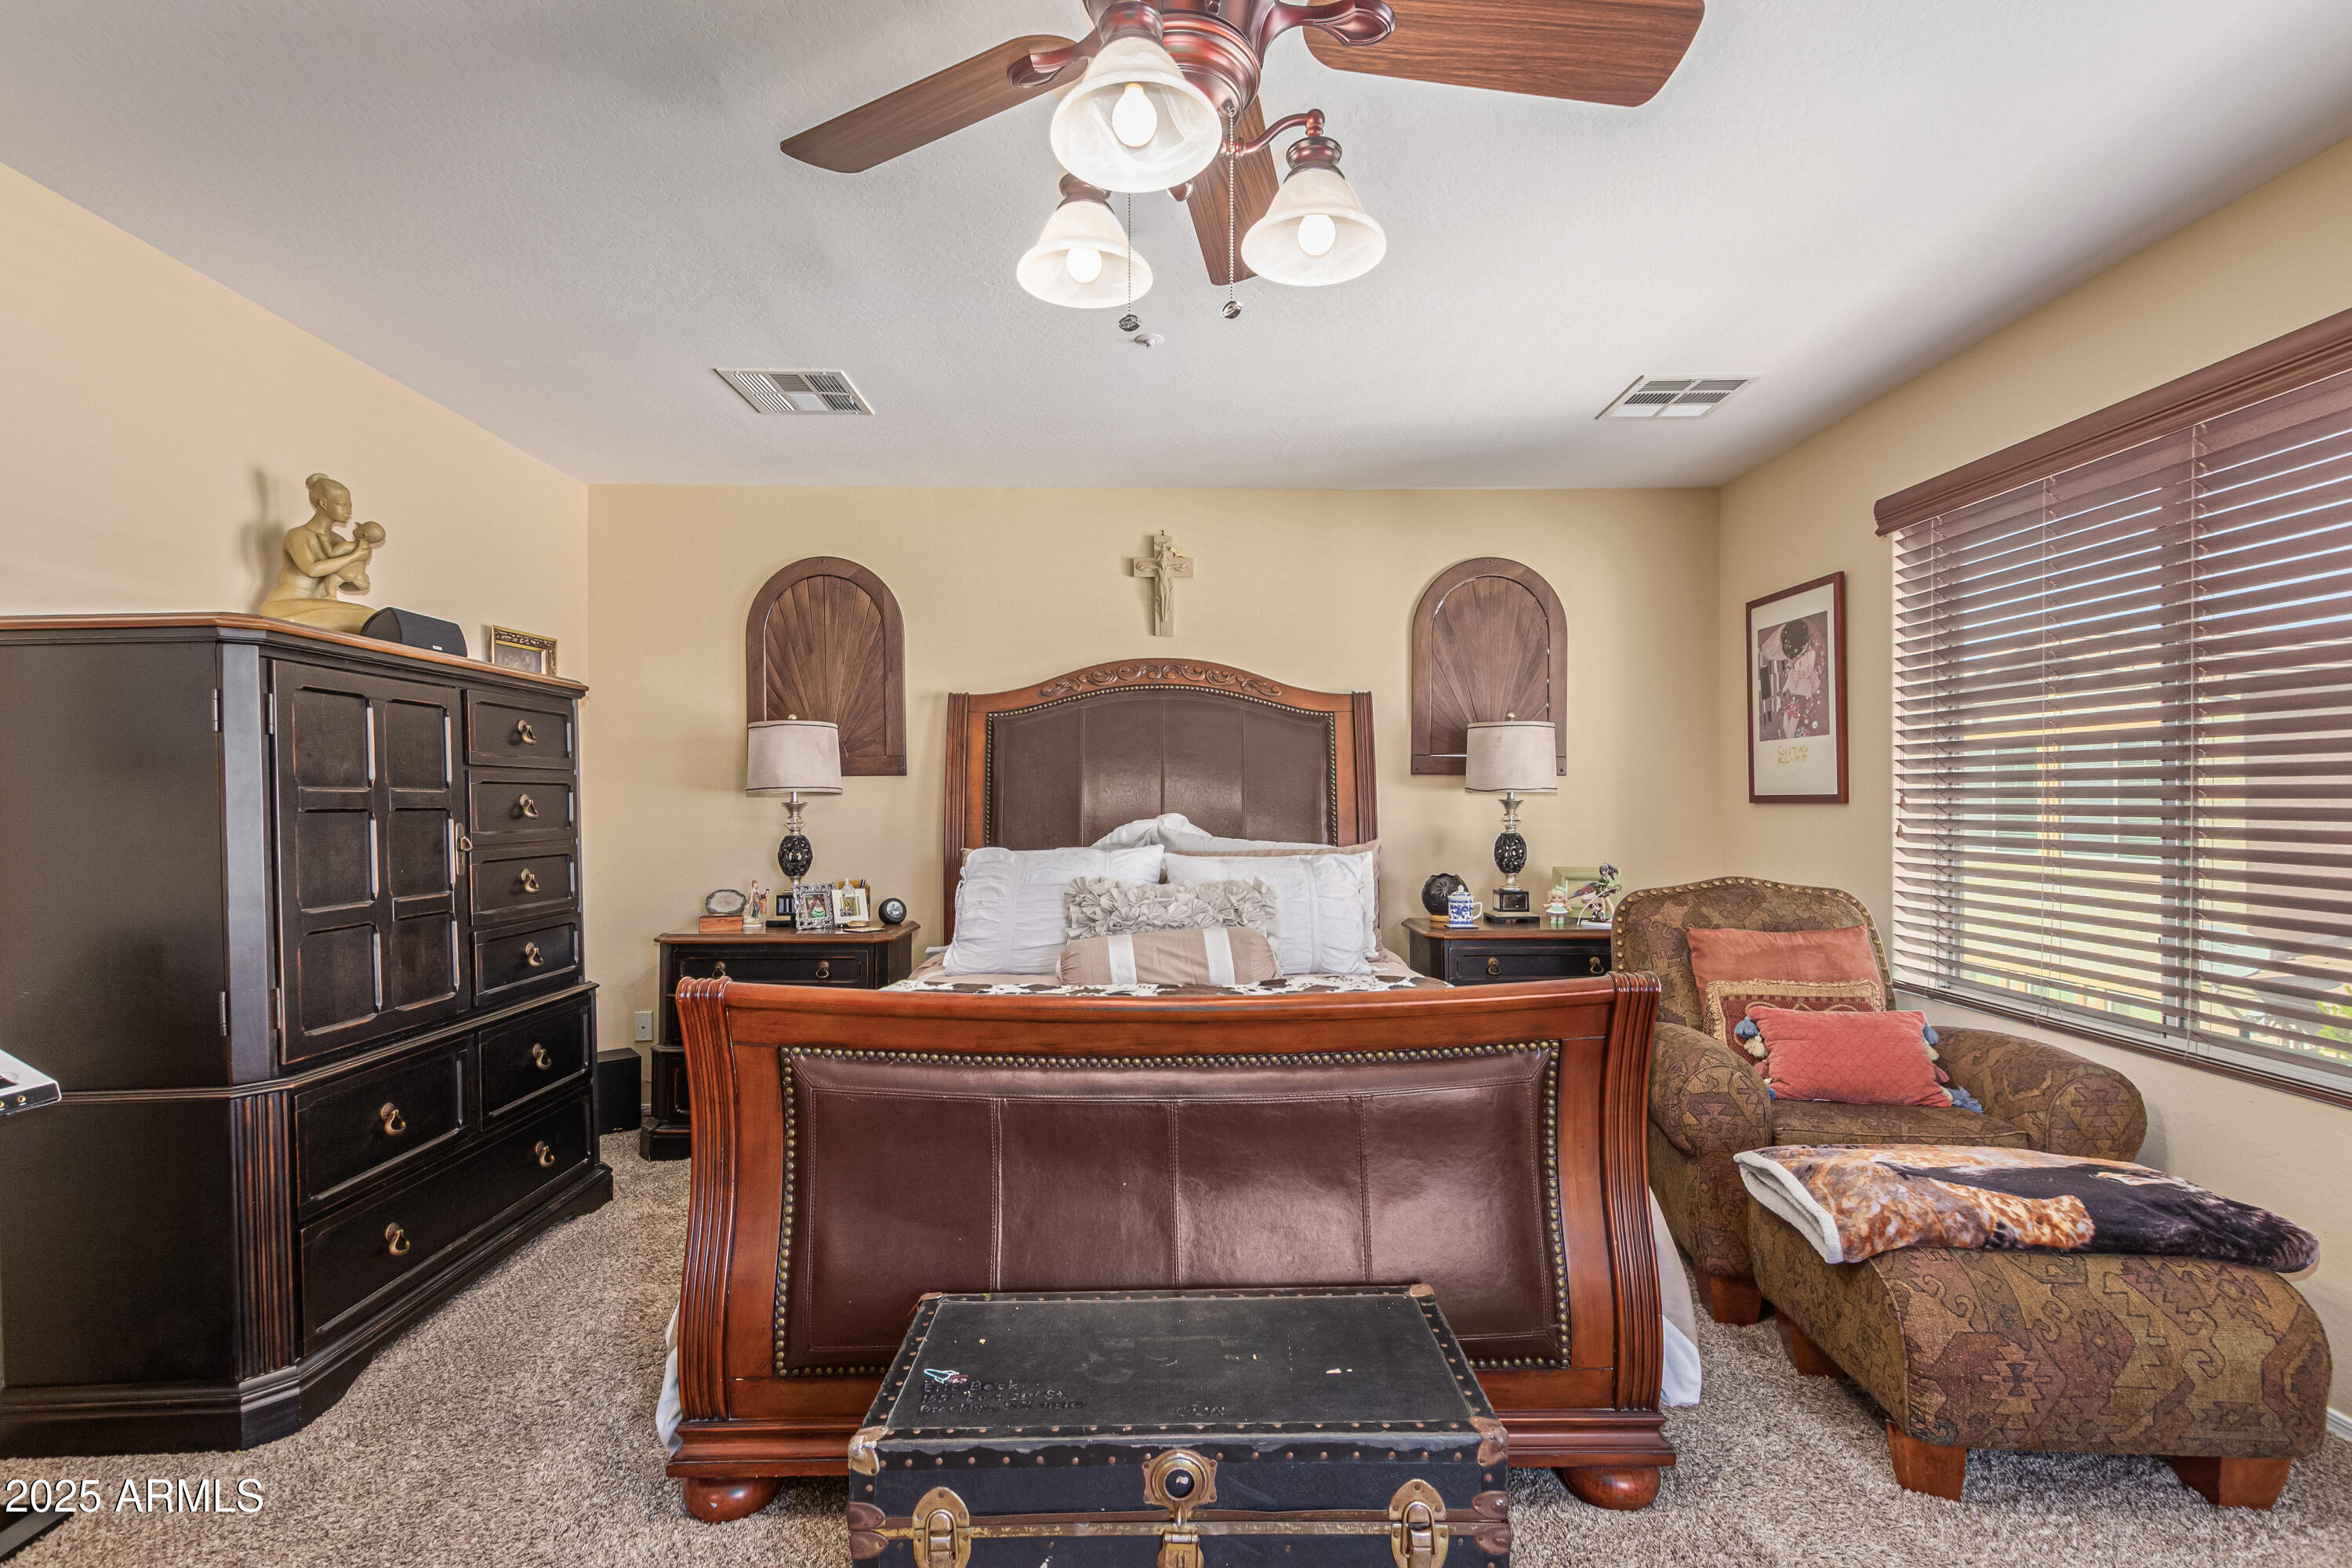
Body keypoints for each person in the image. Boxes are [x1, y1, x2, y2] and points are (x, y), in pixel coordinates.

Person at [258, 474, 384, 630]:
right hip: (286, 605)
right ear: (324, 503)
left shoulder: (339, 541)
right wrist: (354, 556)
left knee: (374, 619)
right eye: (343, 505)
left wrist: (356, 582)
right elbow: (312, 569)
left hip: (320, 605)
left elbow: (337, 578)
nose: (349, 511)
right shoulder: (299, 535)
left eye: (350, 506)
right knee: (368, 622)